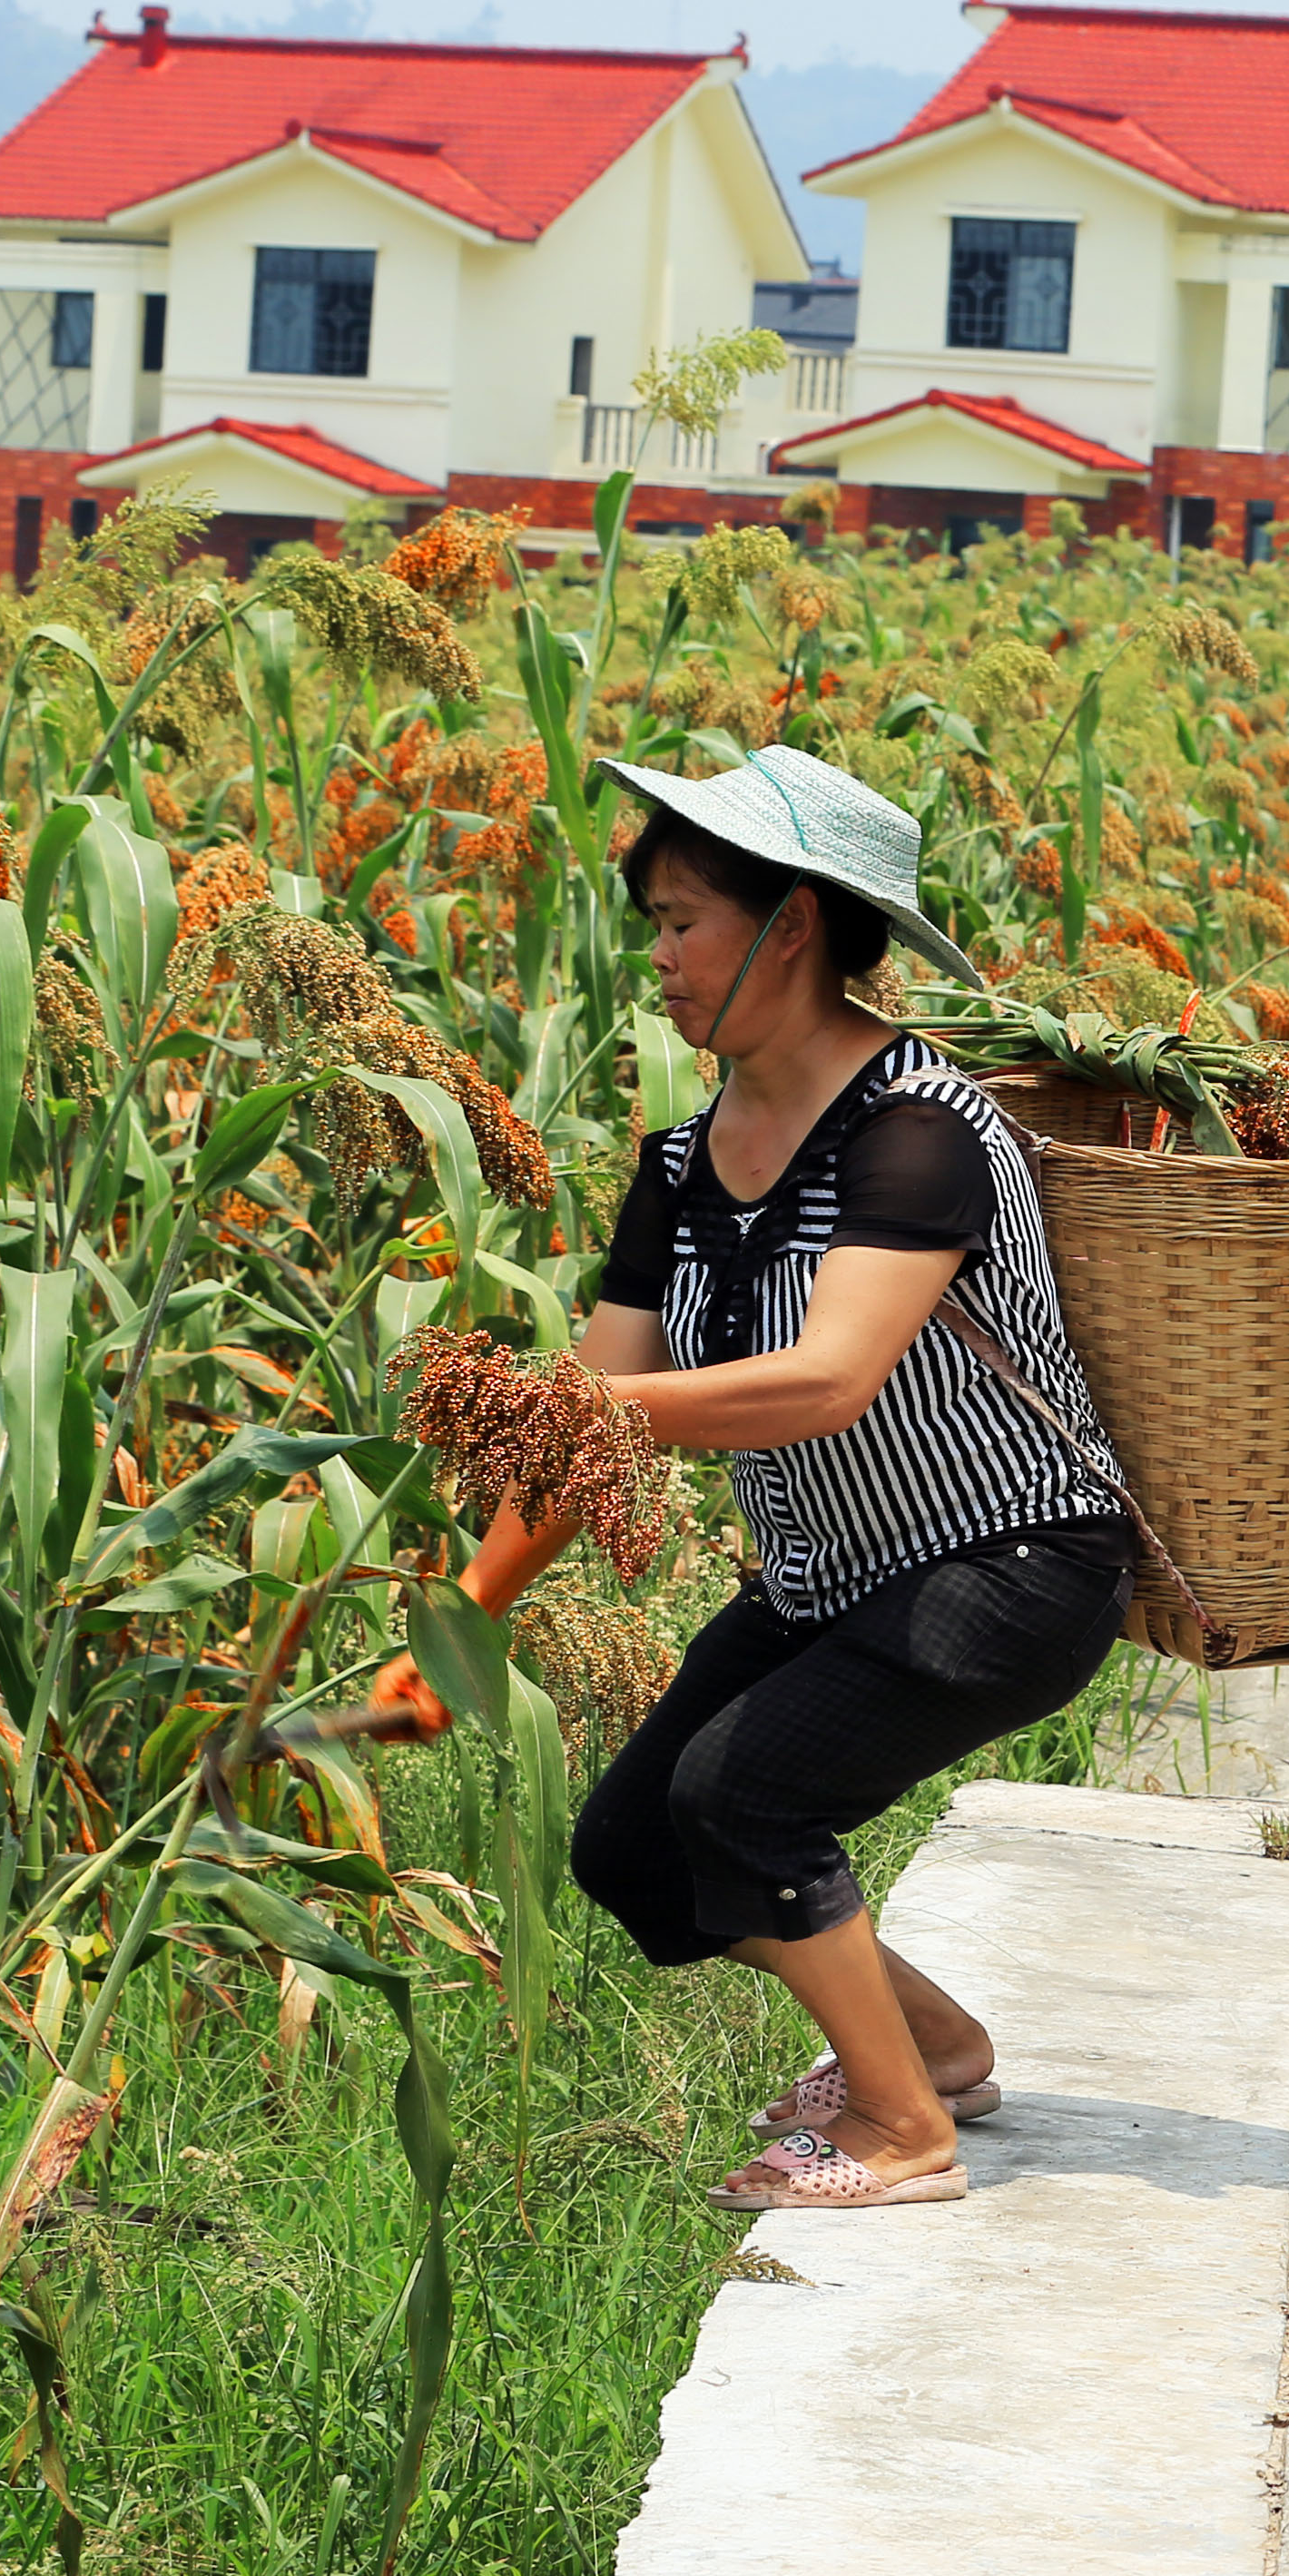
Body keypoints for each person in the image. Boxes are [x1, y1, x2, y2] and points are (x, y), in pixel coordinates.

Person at [456, 744, 1140, 2214]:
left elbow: (831, 1378)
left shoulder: (918, 1130)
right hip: (833, 1582)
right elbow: (586, 1423)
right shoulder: (685, 1165)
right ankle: (938, 2047)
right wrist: (457, 1625)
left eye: (684, 921)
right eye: (652, 924)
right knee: (635, 1847)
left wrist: (581, 1405)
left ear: (796, 926)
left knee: (740, 1799)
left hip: (1009, 1565)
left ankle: (904, 2133)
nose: (658, 959)